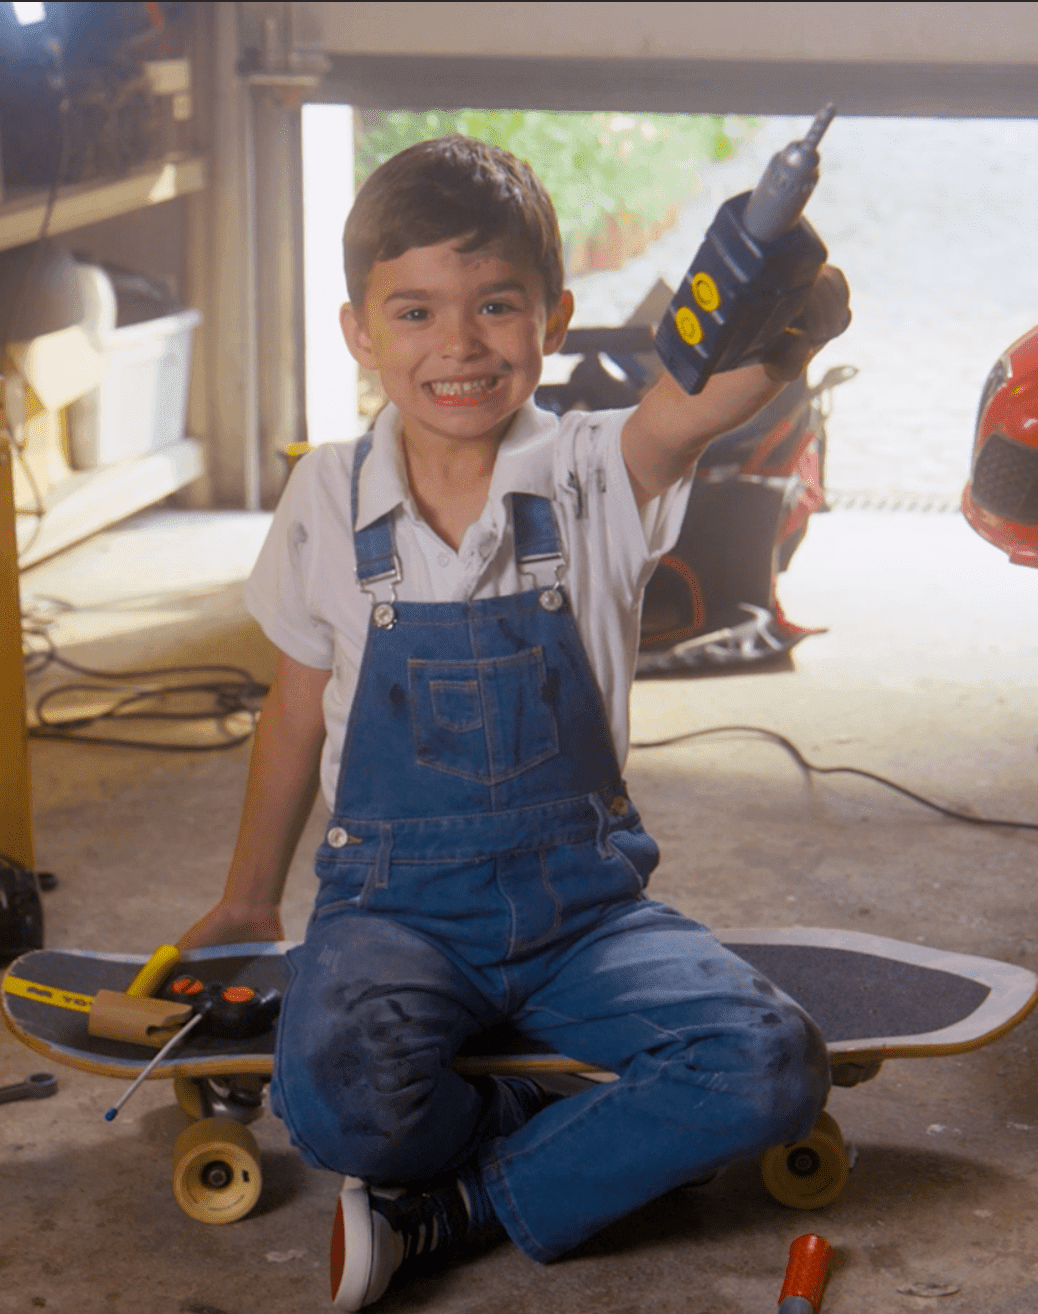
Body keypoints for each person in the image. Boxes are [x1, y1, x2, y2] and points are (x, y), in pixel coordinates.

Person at [177, 135, 850, 1310]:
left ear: (553, 317)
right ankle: (557, 1121)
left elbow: (696, 405)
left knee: (772, 1061)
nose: (458, 344)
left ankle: (471, 1205)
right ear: (357, 332)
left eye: (496, 306)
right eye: (416, 311)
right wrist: (248, 899)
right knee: (336, 1102)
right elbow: (293, 706)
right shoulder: (324, 494)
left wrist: (782, 327)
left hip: (582, 912)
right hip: (390, 913)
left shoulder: (598, 468)